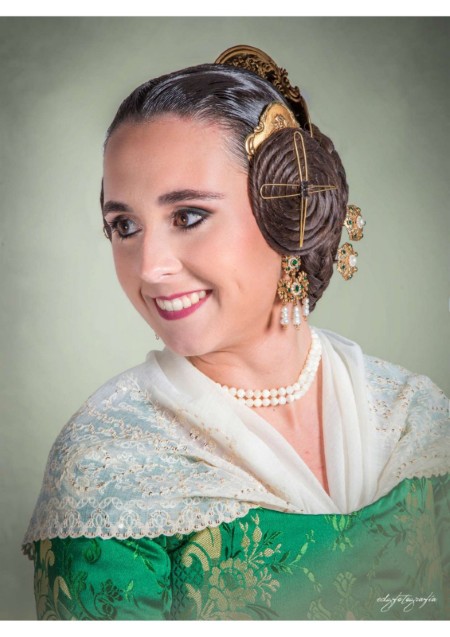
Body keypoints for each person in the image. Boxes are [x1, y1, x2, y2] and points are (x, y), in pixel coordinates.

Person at [23, 45, 449, 621]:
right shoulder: (106, 462)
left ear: (292, 209)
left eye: (188, 216)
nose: (150, 267)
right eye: (124, 226)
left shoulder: (413, 419)